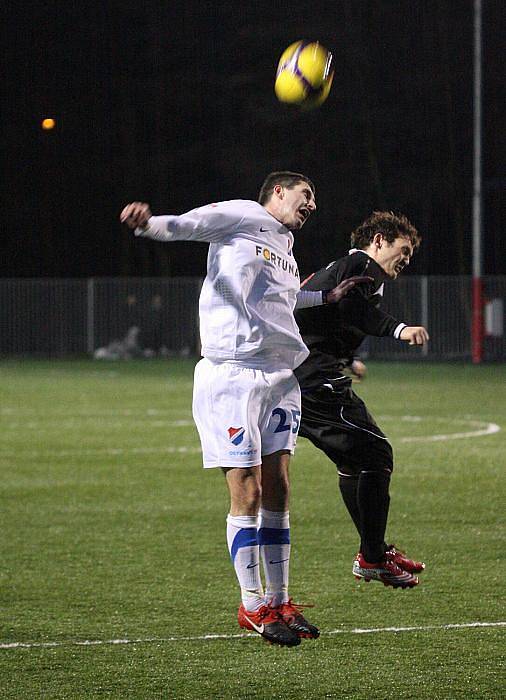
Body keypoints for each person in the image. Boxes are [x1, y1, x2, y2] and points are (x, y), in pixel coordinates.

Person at [120, 172, 370, 646]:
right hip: (233, 375)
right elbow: (191, 225)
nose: (312, 203)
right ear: (278, 192)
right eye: (306, 194)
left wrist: (327, 297)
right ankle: (253, 605)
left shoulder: (284, 246)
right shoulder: (243, 215)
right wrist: (149, 224)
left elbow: (285, 300)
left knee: (278, 489)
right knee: (249, 492)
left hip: (280, 378)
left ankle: (280, 602)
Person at [294, 210, 429, 589]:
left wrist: (348, 357)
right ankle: (372, 557)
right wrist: (399, 328)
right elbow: (355, 309)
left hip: (311, 373)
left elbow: (331, 315)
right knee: (377, 454)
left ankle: (374, 552)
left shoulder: (357, 270)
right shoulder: (361, 265)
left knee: (356, 462)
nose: (406, 260)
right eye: (403, 250)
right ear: (379, 241)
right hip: (312, 379)